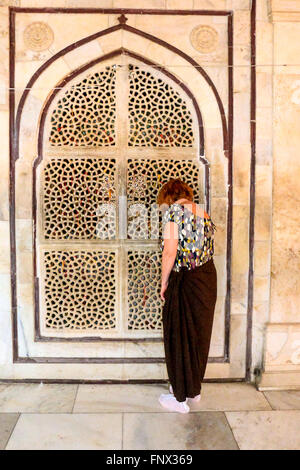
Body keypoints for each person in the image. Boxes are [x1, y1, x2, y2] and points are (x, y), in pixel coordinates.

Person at [157, 178, 218, 414]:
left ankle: (179, 400)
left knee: (178, 334)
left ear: (169, 197)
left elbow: (170, 252)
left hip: (186, 280)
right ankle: (193, 390)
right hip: (207, 278)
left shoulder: (174, 212)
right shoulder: (203, 212)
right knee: (198, 335)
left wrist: (163, 282)